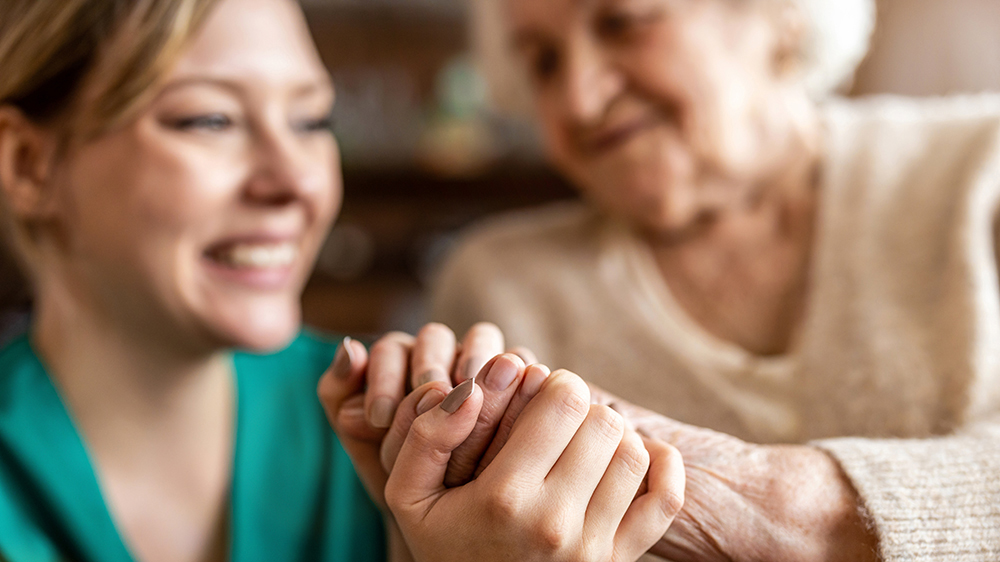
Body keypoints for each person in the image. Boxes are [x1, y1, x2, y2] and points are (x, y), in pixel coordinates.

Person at [0, 0, 686, 561]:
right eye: (211, 118)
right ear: (30, 165)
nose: (296, 180)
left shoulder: (407, 437)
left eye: (312, 121)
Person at [429, 0, 1000, 559]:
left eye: (623, 23)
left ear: (780, 16)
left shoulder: (982, 169)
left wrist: (783, 508)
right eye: (543, 62)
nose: (579, 99)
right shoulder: (503, 286)